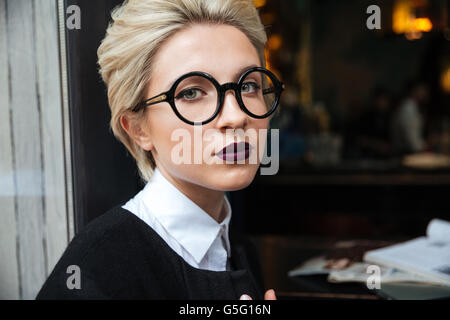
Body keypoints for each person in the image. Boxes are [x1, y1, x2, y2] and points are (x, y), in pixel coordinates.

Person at [36, 0, 283, 300]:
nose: (235, 116)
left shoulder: (237, 247)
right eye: (191, 92)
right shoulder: (96, 268)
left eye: (248, 86)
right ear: (138, 128)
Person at [391, 81, 429, 155]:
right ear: (414, 91)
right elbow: (412, 140)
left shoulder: (411, 106)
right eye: (422, 90)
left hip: (407, 151)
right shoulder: (408, 108)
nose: (425, 93)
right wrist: (425, 147)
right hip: (405, 153)